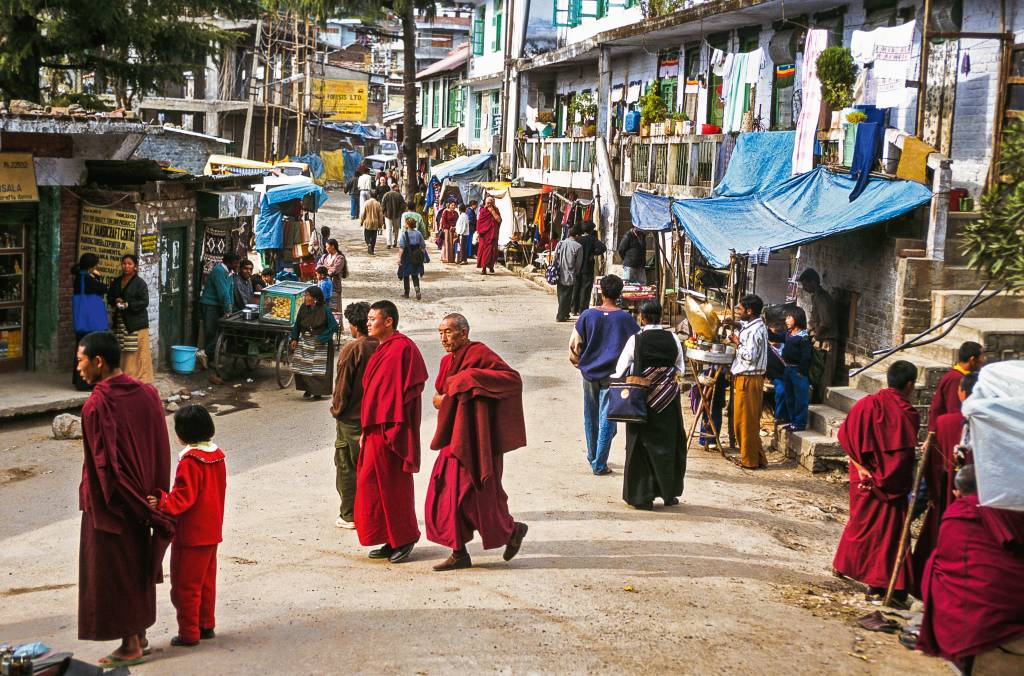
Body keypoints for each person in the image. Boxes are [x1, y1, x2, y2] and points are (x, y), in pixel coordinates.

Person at [75, 331, 172, 669]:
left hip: (112, 504)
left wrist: (122, 500)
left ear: (99, 362)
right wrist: (156, 498)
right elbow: (160, 446)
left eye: (81, 360)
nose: (79, 368)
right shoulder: (146, 393)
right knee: (135, 564)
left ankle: (129, 643)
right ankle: (141, 634)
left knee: (112, 571)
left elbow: (106, 467)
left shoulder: (96, 405)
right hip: (144, 497)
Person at [424, 314, 530, 571]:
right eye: (440, 332)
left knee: (476, 496)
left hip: (478, 439)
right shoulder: (446, 361)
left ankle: (511, 529)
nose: (443, 338)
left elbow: (512, 379)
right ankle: (459, 552)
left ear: (463, 332)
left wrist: (468, 379)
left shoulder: (479, 353)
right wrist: (444, 398)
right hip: (455, 437)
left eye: (448, 332)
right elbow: (443, 394)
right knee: (444, 495)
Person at [917, 464, 1024, 672]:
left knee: (935, 568)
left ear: (957, 492)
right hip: (1016, 599)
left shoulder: (958, 512)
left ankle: (962, 651)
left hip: (979, 609)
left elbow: (949, 559)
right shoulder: (1010, 507)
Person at [832, 360, 920, 607]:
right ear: (910, 385)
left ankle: (845, 566)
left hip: (863, 480)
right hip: (888, 484)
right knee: (887, 534)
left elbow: (845, 437)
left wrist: (861, 468)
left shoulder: (866, 404)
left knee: (862, 525)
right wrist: (887, 478)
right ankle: (882, 584)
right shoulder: (907, 414)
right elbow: (901, 461)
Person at [145, 404, 226, 648]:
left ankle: (189, 632)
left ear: (182, 434)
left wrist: (161, 500)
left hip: (191, 536)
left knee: (185, 586)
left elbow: (183, 498)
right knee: (206, 582)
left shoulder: (190, 461)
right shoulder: (217, 456)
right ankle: (206, 625)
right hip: (212, 532)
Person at [356, 301, 428, 563]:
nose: (368, 322)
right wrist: (367, 427)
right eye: (368, 318)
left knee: (393, 486)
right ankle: (389, 537)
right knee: (372, 485)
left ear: (388, 321)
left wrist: (396, 424)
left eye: (373, 318)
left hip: (393, 429)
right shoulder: (383, 348)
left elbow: (412, 388)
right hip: (375, 429)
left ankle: (405, 536)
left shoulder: (403, 348)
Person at [612, 301, 686, 510]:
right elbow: (679, 367)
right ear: (660, 317)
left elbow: (620, 370)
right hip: (668, 402)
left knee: (639, 448)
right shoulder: (673, 338)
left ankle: (642, 497)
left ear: (642, 318)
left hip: (641, 401)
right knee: (668, 445)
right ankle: (668, 493)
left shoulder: (636, 340)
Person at [569, 275, 640, 475]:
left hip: (590, 374)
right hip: (614, 376)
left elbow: (574, 346)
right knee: (608, 418)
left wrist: (582, 365)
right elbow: (637, 347)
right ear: (620, 295)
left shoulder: (587, 316)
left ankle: (593, 456)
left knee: (590, 416)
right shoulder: (626, 320)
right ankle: (599, 463)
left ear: (601, 292)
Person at [912, 372, 977, 583]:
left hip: (945, 488)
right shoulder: (990, 425)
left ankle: (929, 580)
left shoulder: (945, 423)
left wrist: (932, 489)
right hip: (977, 495)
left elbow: (932, 463)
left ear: (961, 392)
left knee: (940, 534)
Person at [330, 302, 379, 530]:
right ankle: (371, 512)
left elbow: (342, 388)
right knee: (370, 467)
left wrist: (337, 411)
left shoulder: (353, 349)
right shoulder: (380, 345)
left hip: (351, 419)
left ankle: (349, 514)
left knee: (347, 465)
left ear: (353, 326)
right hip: (375, 418)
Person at [729, 294, 768, 469]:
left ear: (749, 311)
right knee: (749, 421)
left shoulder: (754, 331)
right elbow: (744, 325)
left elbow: (750, 356)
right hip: (750, 378)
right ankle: (757, 457)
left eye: (740, 309)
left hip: (749, 379)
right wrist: (734, 324)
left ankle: (749, 460)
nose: (738, 311)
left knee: (744, 422)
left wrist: (737, 342)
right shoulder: (755, 325)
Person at [107, 253, 154, 384]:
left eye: (129, 264)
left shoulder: (140, 284)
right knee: (123, 349)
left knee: (135, 352)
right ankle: (124, 376)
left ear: (135, 267)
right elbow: (110, 298)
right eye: (124, 264)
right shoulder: (116, 282)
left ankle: (139, 379)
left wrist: (128, 304)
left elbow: (145, 302)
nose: (126, 266)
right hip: (121, 322)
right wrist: (115, 301)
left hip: (136, 322)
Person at [767, 306, 813, 431]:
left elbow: (806, 356)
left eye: (789, 317)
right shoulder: (788, 334)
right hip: (787, 370)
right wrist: (766, 329)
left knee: (800, 398)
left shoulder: (803, 337)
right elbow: (774, 338)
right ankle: (792, 420)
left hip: (798, 371)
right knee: (790, 396)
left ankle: (799, 423)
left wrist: (801, 372)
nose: (786, 320)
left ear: (797, 319)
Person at [289, 286, 338, 401]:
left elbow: (334, 326)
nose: (305, 297)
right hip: (305, 340)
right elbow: (297, 324)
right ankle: (308, 389)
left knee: (317, 369)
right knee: (304, 366)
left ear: (314, 298)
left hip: (321, 343)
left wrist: (322, 338)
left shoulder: (325, 309)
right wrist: (294, 338)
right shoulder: (303, 307)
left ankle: (318, 392)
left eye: (307, 295)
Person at [927, 340, 984, 432]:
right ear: (972, 359)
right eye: (981, 356)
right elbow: (954, 410)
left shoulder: (959, 376)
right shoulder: (956, 379)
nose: (983, 360)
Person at [72, 253, 109, 391]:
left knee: (81, 350)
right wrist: (97, 275)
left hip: (82, 322)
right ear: (92, 266)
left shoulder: (79, 276)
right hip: (90, 322)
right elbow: (103, 288)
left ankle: (79, 380)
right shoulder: (87, 279)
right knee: (90, 351)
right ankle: (87, 381)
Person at [797, 268, 837, 392]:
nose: (804, 288)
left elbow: (826, 322)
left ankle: (823, 401)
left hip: (826, 342)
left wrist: (814, 337)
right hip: (819, 340)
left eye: (806, 284)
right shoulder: (816, 297)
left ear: (814, 282)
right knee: (816, 373)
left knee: (824, 375)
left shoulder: (822, 298)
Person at [199, 253, 239, 360]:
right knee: (211, 331)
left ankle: (209, 355)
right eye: (235, 263)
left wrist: (231, 307)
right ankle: (206, 356)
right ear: (229, 262)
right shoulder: (219, 271)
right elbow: (223, 292)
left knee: (219, 331)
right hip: (210, 304)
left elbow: (230, 291)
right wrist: (227, 309)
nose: (237, 265)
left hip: (219, 305)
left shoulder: (229, 272)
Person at [572, 221, 606, 315]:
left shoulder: (578, 239)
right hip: (587, 268)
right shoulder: (592, 239)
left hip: (577, 268)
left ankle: (574, 309)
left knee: (576, 288)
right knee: (585, 290)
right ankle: (582, 310)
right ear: (591, 230)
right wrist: (593, 253)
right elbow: (603, 248)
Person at [553, 226, 583, 322]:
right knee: (567, 295)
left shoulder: (560, 243)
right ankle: (560, 315)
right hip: (569, 274)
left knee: (561, 294)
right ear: (577, 235)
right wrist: (577, 273)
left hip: (558, 273)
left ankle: (565, 313)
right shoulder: (578, 247)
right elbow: (578, 264)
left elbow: (554, 258)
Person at [398, 216, 427, 300]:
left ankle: (406, 293)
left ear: (407, 225)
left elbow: (401, 247)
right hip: (416, 256)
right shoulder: (418, 233)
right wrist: (422, 256)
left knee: (406, 275)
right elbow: (423, 246)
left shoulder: (404, 234)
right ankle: (417, 288)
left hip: (406, 256)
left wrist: (399, 258)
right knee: (415, 274)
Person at [317, 238, 347, 315]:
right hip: (322, 287)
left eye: (327, 246)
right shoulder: (324, 256)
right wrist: (327, 268)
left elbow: (334, 270)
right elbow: (318, 267)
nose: (326, 248)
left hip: (334, 287)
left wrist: (324, 268)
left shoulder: (340, 258)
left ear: (333, 246)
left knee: (334, 309)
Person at [476, 195, 501, 275]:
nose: (489, 204)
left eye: (491, 202)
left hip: (493, 235)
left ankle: (491, 266)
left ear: (493, 203)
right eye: (488, 203)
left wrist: (492, 212)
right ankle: (483, 268)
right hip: (484, 235)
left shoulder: (496, 210)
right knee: (484, 251)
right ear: (485, 203)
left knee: (493, 252)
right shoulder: (483, 211)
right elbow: (480, 222)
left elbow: (499, 220)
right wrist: (478, 233)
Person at [381, 183, 407, 249]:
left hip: (387, 215)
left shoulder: (386, 195)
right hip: (397, 215)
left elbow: (383, 205)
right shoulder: (399, 195)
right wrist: (400, 212)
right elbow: (403, 206)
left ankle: (389, 243)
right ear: (395, 188)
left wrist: (383, 213)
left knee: (388, 229)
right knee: (396, 229)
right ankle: (395, 243)